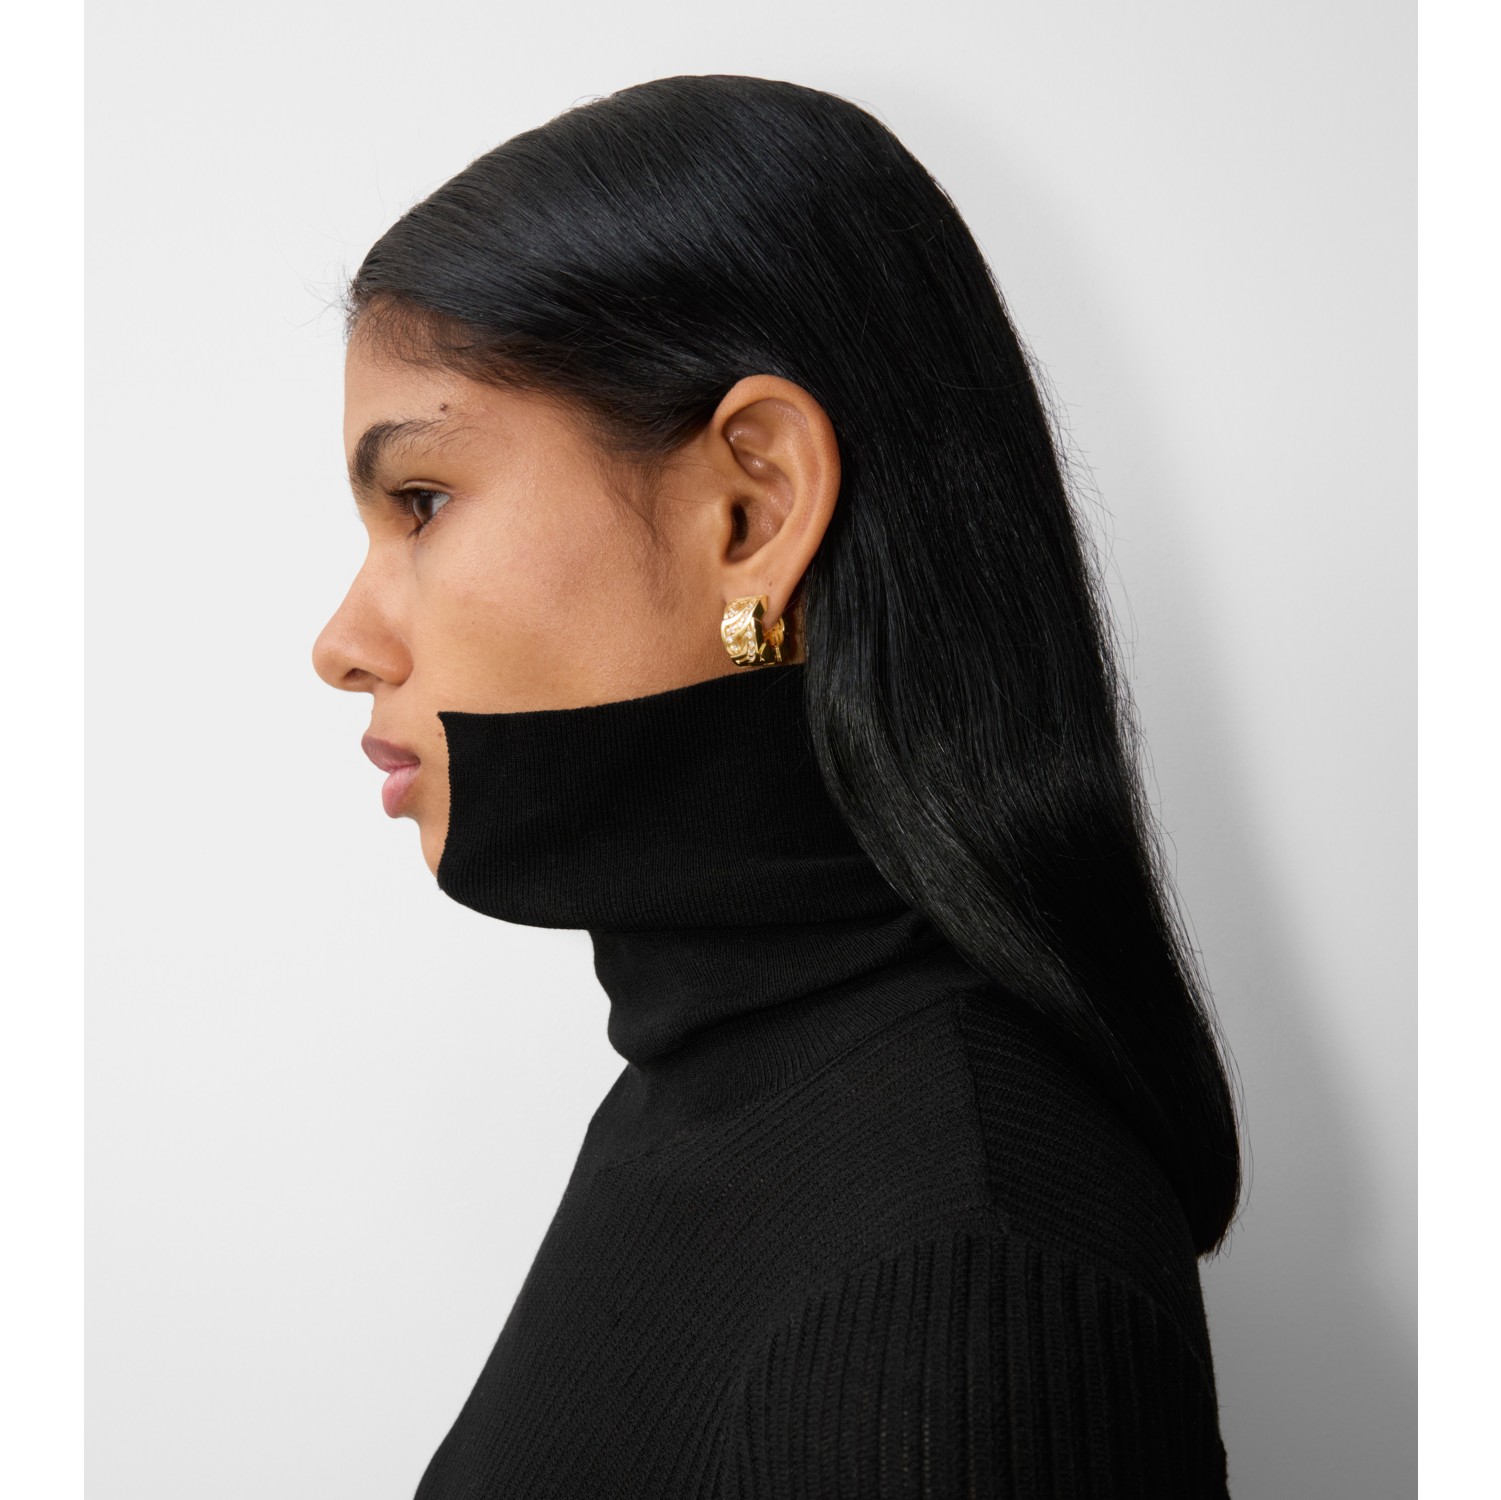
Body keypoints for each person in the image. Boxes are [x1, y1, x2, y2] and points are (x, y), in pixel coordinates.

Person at [312, 73, 1243, 1499]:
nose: (342, 643)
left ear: (753, 507)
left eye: (422, 503)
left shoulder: (960, 1282)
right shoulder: (721, 1083)